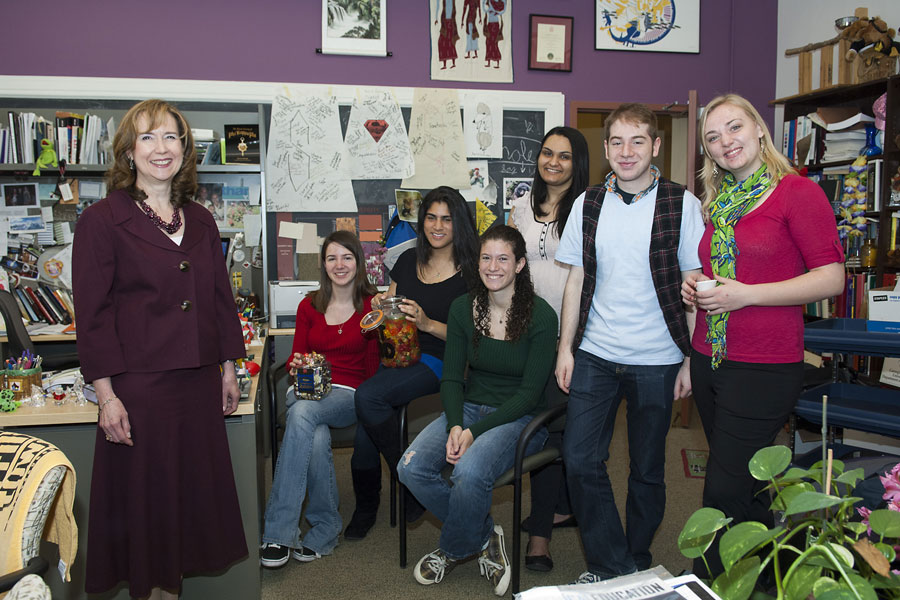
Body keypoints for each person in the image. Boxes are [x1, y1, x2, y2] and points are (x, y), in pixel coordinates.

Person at [72, 99, 247, 599]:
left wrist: (228, 368)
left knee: (186, 518)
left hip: (196, 389)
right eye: (147, 138)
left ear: (185, 149)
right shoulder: (102, 221)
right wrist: (106, 396)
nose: (160, 148)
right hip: (139, 393)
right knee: (148, 524)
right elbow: (95, 317)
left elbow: (219, 300)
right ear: (128, 152)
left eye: (171, 137)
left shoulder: (202, 219)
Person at [682, 94, 844, 577]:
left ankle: (714, 585)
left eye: (734, 128)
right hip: (710, 360)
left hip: (765, 365)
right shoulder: (721, 203)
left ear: (757, 129)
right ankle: (771, 584)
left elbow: (832, 278)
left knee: (721, 493)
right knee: (750, 489)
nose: (725, 141)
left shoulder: (797, 193)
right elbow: (720, 277)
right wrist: (697, 291)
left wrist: (747, 295)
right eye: (713, 136)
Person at [555, 103, 705, 583]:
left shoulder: (683, 204)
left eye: (637, 141)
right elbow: (576, 280)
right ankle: (612, 563)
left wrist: (688, 359)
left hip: (658, 360)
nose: (626, 151)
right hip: (596, 353)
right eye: (617, 142)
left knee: (647, 468)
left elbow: (693, 286)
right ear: (605, 149)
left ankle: (636, 557)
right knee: (579, 459)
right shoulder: (588, 203)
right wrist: (565, 349)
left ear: (655, 146)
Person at [398, 225, 558, 597]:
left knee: (467, 473)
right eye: (486, 257)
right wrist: (456, 424)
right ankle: (484, 534)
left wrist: (474, 431)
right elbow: (452, 378)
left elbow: (529, 394)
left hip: (519, 417)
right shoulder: (462, 308)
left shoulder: (542, 317)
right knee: (411, 467)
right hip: (469, 408)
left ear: (520, 264)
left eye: (503, 258)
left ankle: (455, 548)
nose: (493, 266)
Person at [347, 186, 479, 540]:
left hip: (439, 358)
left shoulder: (473, 272)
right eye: (431, 218)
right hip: (397, 352)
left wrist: (426, 324)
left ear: (459, 224)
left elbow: (474, 338)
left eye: (447, 219)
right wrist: (381, 305)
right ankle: (369, 504)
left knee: (367, 399)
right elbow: (390, 302)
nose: (438, 226)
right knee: (366, 425)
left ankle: (407, 484)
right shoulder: (406, 261)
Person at [259, 230, 380, 569]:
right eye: (331, 258)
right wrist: (298, 367)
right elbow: (298, 356)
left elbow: (372, 367)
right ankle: (325, 530)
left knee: (302, 418)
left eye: (346, 257)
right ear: (323, 264)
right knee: (313, 431)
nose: (339, 265)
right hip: (306, 390)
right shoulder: (308, 305)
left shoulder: (371, 306)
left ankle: (278, 533)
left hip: (348, 393)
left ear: (358, 262)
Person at [508, 125, 590, 573]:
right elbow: (508, 266)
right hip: (526, 332)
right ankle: (557, 510)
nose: (553, 162)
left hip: (573, 336)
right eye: (546, 153)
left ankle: (540, 533)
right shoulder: (520, 206)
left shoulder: (588, 208)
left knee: (561, 431)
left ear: (577, 163)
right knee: (540, 426)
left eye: (564, 155)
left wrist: (571, 342)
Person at [434, 0, 458, 69]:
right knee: (442, 43)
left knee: (450, 42)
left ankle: (453, 63)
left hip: (450, 24)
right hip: (444, 24)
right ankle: (445, 64)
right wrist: (436, 18)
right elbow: (438, 6)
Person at [482, 0, 506, 68]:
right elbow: (484, 10)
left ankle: (497, 62)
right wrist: (483, 2)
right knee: (488, 42)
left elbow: (503, 10)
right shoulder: (489, 1)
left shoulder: (499, 2)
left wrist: (496, 12)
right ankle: (489, 61)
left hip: (495, 25)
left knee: (494, 43)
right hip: (489, 24)